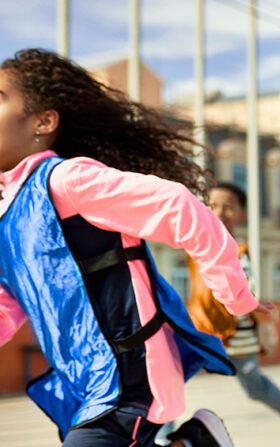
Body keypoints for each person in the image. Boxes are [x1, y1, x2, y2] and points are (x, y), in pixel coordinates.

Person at [0, 49, 260, 447]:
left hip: (128, 377)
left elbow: (178, 206)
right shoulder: (6, 217)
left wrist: (237, 299)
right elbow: (7, 305)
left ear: (43, 121)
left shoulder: (67, 181)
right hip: (85, 385)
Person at [180, 183, 280, 446]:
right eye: (213, 205)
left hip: (239, 336)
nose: (219, 212)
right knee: (171, 378)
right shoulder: (196, 243)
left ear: (241, 214)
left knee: (255, 388)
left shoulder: (239, 251)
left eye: (229, 207)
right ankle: (160, 436)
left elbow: (245, 287)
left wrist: (262, 321)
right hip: (201, 329)